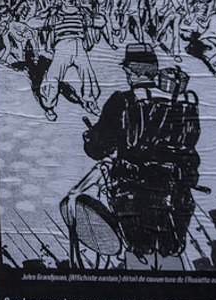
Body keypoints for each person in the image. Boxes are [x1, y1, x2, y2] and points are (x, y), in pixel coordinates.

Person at [80, 44, 201, 267]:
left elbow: (98, 150)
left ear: (131, 72)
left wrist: (90, 138)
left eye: (127, 71)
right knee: (171, 251)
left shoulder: (122, 101)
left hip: (134, 193)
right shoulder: (186, 102)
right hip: (177, 191)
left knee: (140, 254)